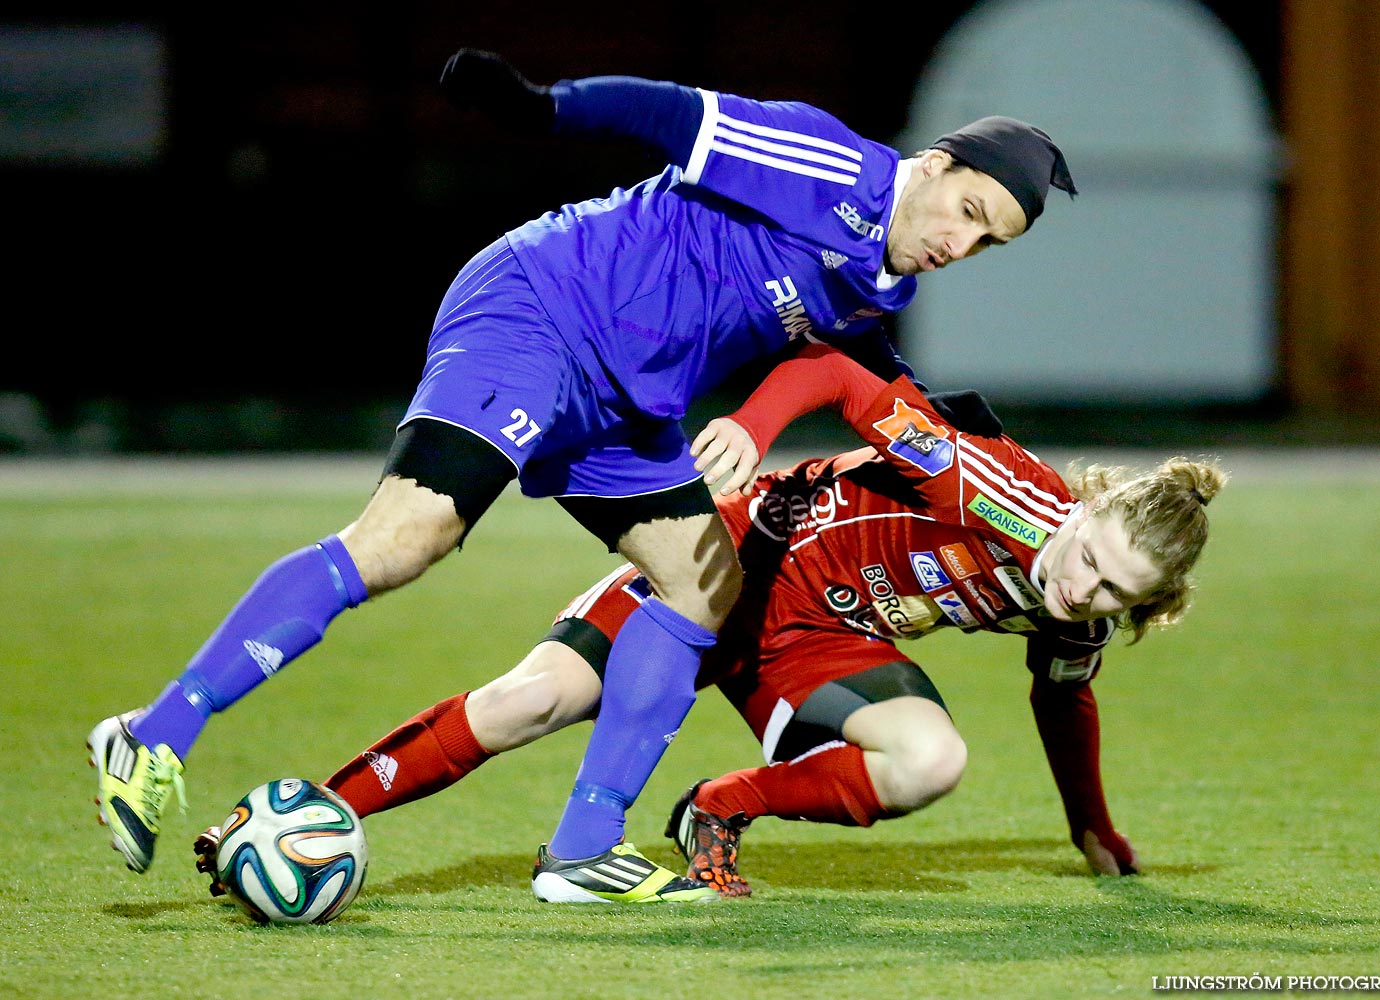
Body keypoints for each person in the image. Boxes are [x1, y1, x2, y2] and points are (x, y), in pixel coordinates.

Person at [88, 47, 1080, 900]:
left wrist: (948, 427)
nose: (965, 241)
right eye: (969, 210)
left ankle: (583, 849)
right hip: (544, 309)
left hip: (628, 403)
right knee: (406, 538)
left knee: (705, 583)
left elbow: (865, 366)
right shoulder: (831, 162)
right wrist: (539, 104)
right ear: (940, 163)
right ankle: (155, 733)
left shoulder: (881, 276)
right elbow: (674, 113)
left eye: (989, 240)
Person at [195, 347, 1225, 901]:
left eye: (1109, 595)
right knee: (530, 701)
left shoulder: (1078, 617)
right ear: (1084, 508)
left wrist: (1089, 826)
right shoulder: (993, 486)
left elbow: (1062, 702)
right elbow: (838, 372)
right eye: (1088, 557)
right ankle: (304, 817)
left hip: (816, 640)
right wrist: (755, 425)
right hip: (729, 558)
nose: (1077, 590)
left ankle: (720, 809)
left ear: (1139, 607)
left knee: (928, 760)